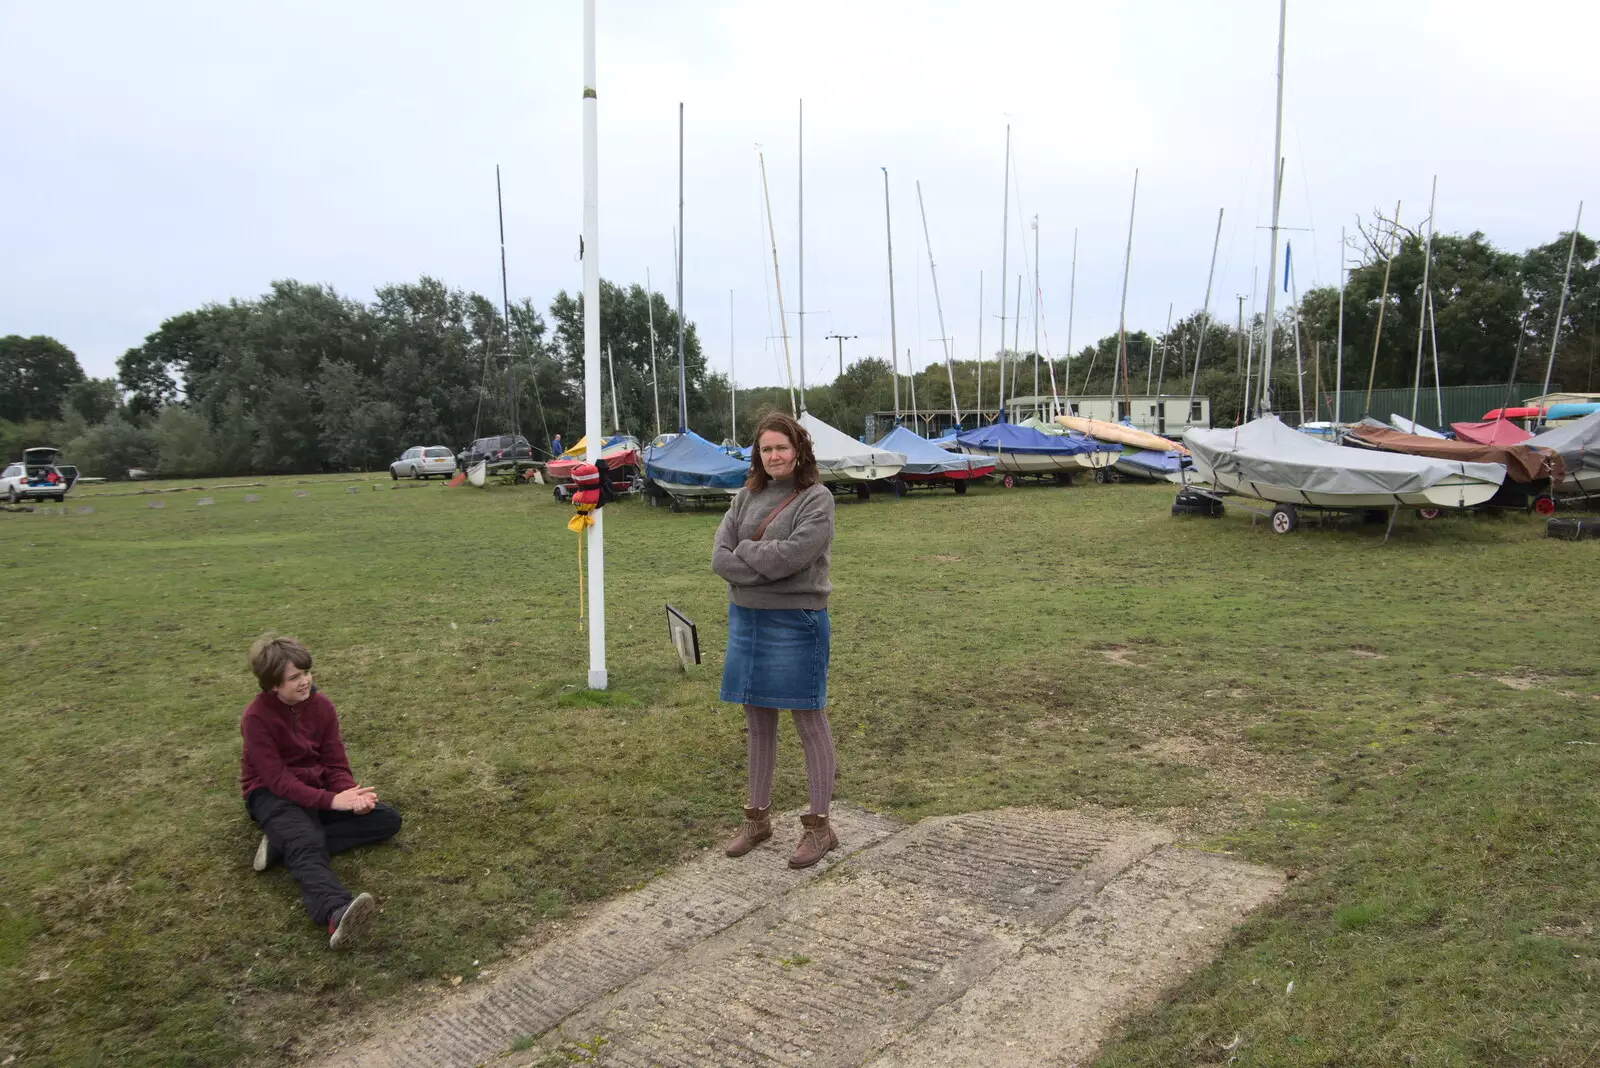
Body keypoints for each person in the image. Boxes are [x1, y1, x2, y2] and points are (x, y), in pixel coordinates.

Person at [712, 412, 840, 869]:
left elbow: (795, 556)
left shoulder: (817, 499)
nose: (773, 456)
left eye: (781, 448)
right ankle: (757, 819)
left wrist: (746, 552)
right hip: (747, 620)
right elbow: (718, 559)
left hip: (797, 620)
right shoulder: (745, 497)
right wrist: (759, 561)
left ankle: (820, 827)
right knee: (758, 719)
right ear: (757, 454)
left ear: (799, 449)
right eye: (766, 449)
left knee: (809, 721)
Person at [239, 635, 401, 950]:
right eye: (295, 677)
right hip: (270, 794)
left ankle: (281, 845)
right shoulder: (255, 718)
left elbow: (335, 763)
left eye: (307, 673)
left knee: (386, 821)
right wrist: (331, 801)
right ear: (273, 685)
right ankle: (335, 912)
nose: (305, 682)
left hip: (317, 786)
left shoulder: (322, 706)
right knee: (305, 839)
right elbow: (277, 781)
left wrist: (351, 797)